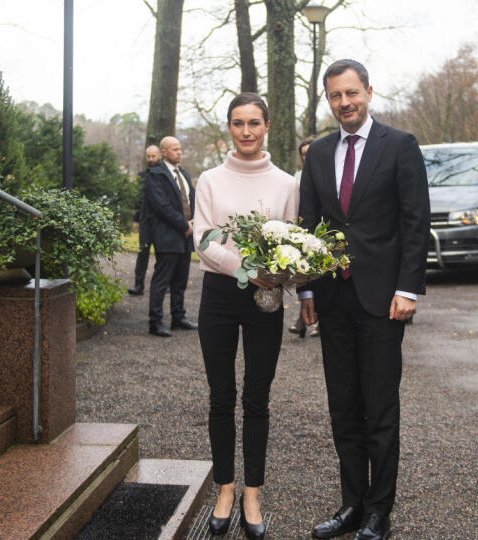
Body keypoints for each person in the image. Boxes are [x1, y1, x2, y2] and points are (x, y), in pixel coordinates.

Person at [298, 59, 429, 540]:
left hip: (382, 300)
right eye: (335, 96)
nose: (344, 103)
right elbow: (308, 226)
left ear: (369, 93)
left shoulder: (400, 146)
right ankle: (351, 503)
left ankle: (379, 511)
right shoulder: (318, 153)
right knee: (343, 408)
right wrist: (307, 288)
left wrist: (407, 288)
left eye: (351, 93)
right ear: (328, 100)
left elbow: (416, 222)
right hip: (332, 299)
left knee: (380, 408)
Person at [193, 93, 298, 539]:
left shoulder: (286, 183)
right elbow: (201, 238)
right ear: (229, 128)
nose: (247, 131)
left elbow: (293, 241)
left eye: (254, 122)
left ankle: (252, 492)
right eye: (238, 123)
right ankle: (225, 488)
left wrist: (282, 274)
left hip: (266, 300)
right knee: (221, 394)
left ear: (267, 125)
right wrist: (246, 270)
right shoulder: (210, 179)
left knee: (256, 396)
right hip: (220, 293)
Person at [144, 136, 198, 337]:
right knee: (161, 280)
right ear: (164, 152)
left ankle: (178, 316)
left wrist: (193, 223)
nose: (179, 152)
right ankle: (155, 321)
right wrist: (184, 225)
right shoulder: (155, 175)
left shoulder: (183, 173)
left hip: (186, 235)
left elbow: (191, 200)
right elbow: (161, 206)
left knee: (180, 280)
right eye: (174, 149)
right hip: (167, 236)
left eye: (180, 148)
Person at [289, 135, 320, 338]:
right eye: (303, 154)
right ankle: (304, 319)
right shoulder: (297, 177)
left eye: (310, 153)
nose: (306, 157)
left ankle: (307, 321)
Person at [130, 145, 161, 296]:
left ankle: (164, 284)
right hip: (145, 221)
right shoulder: (142, 175)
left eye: (153, 156)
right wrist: (135, 219)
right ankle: (138, 285)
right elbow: (137, 199)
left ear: (159, 156)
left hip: (162, 222)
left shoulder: (164, 174)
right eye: (148, 156)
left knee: (163, 255)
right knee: (143, 253)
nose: (150, 159)